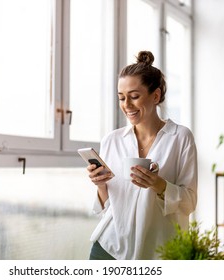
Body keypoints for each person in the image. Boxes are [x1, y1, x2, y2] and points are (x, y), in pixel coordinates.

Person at [86, 50, 198, 260]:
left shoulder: (180, 137)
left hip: (159, 250)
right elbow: (108, 206)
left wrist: (158, 184)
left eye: (134, 96)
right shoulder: (112, 140)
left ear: (155, 96)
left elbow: (189, 203)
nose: (126, 105)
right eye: (121, 98)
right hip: (110, 247)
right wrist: (100, 184)